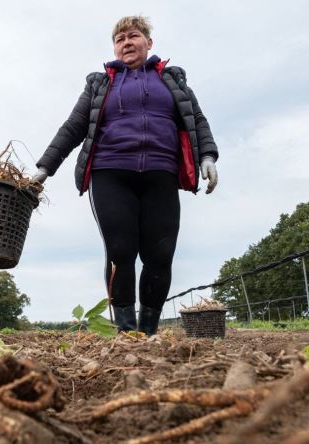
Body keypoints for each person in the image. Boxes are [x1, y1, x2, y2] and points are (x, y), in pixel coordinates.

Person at [33, 16, 218, 336]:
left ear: (149, 42)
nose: (126, 43)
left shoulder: (172, 79)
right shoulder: (100, 83)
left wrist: (208, 156)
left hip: (160, 173)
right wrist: (43, 169)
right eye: (119, 39)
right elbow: (73, 128)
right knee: (121, 251)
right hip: (111, 172)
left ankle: (148, 331)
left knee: (160, 254)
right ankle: (126, 332)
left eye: (133, 36)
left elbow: (196, 120)